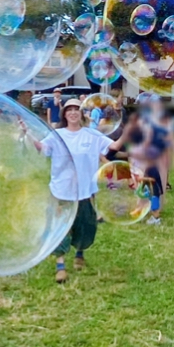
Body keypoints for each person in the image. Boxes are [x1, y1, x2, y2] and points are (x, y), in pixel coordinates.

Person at [44, 98, 126, 283]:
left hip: (85, 190)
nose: (73, 112)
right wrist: (27, 134)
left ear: (81, 113)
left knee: (85, 225)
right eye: (69, 109)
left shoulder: (91, 135)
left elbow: (113, 147)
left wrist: (128, 132)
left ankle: (79, 253)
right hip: (62, 189)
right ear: (64, 114)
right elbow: (42, 148)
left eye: (76, 109)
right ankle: (60, 265)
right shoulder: (56, 135)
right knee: (61, 227)